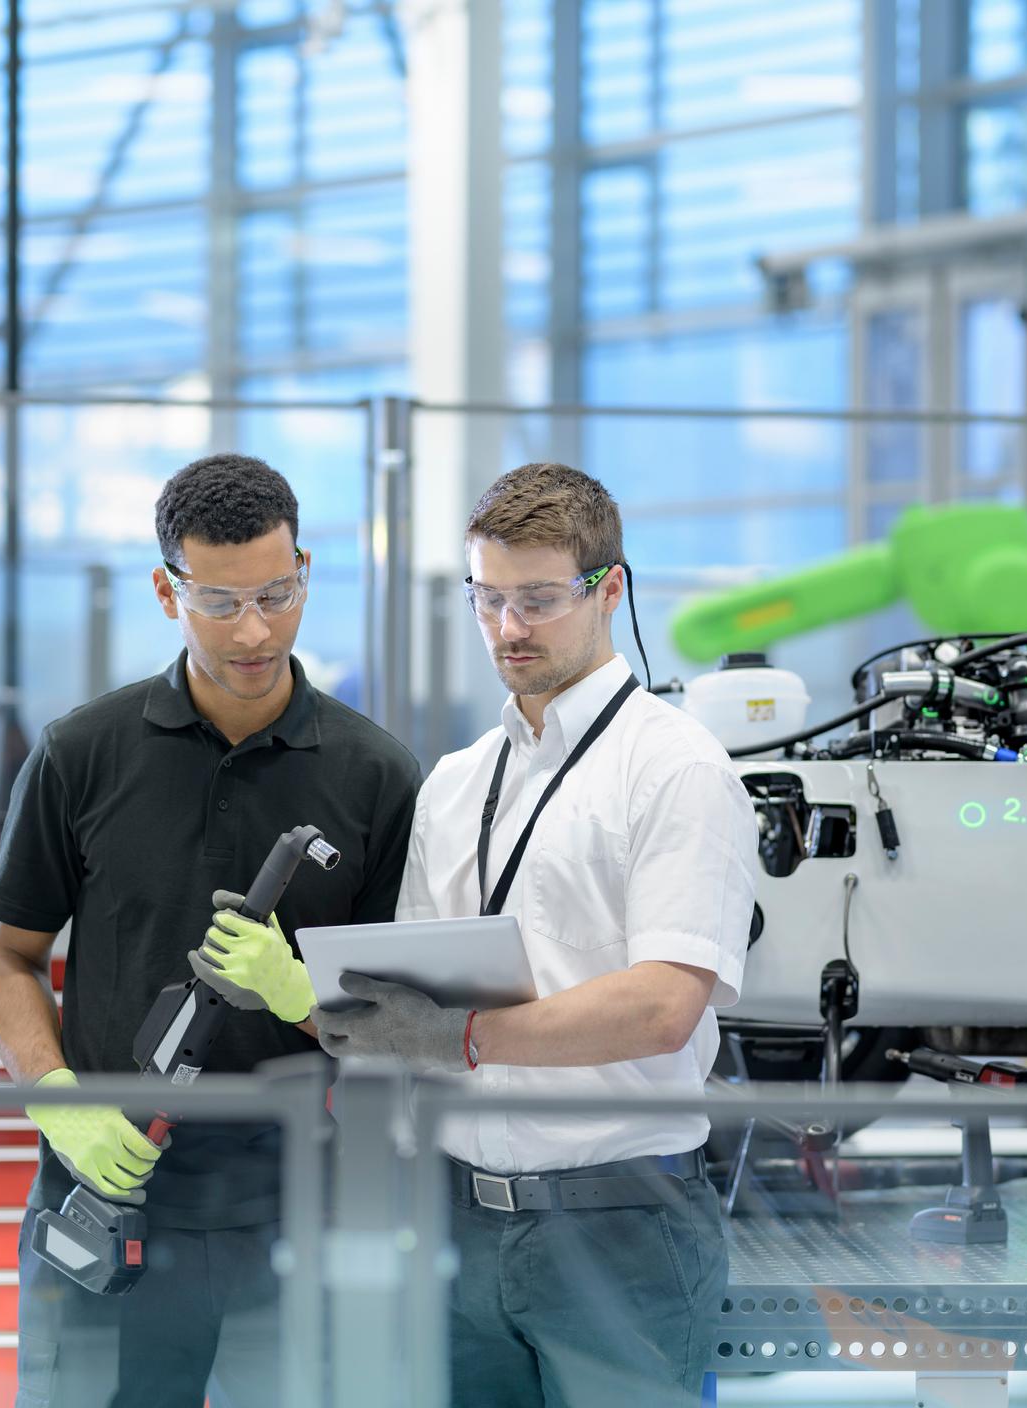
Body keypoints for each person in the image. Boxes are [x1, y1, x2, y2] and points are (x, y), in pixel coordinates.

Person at [308, 462, 757, 1406]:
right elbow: (411, 997)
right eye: (489, 599)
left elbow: (664, 1004)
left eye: (541, 600)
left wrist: (460, 1036)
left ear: (610, 589)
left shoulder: (676, 769)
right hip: (455, 1217)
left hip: (623, 1223)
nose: (510, 629)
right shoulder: (457, 781)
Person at [0, 453, 420, 1408]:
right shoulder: (80, 754)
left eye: (277, 592)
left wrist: (305, 997)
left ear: (306, 567)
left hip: (297, 1210)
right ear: (165, 589)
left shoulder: (377, 776)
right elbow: (8, 956)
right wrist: (57, 1100)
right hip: (108, 1195)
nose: (255, 630)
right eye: (218, 603)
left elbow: (402, 1021)